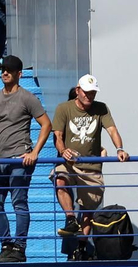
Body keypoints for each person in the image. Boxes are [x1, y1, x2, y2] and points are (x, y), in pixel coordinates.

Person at [0, 56, 49, 263]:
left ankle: (19, 248)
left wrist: (34, 152)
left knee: (19, 202)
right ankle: (6, 245)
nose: (5, 72)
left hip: (20, 159)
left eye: (10, 70)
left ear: (19, 74)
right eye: (3, 69)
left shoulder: (27, 98)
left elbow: (46, 124)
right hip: (0, 161)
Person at [50, 75, 129, 245]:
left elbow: (112, 130)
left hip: (92, 166)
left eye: (93, 92)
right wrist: (63, 151)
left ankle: (82, 245)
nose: (89, 96)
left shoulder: (101, 108)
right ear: (78, 90)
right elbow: (58, 136)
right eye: (86, 92)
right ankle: (71, 219)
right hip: (69, 163)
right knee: (59, 180)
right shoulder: (64, 108)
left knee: (88, 209)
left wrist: (120, 149)